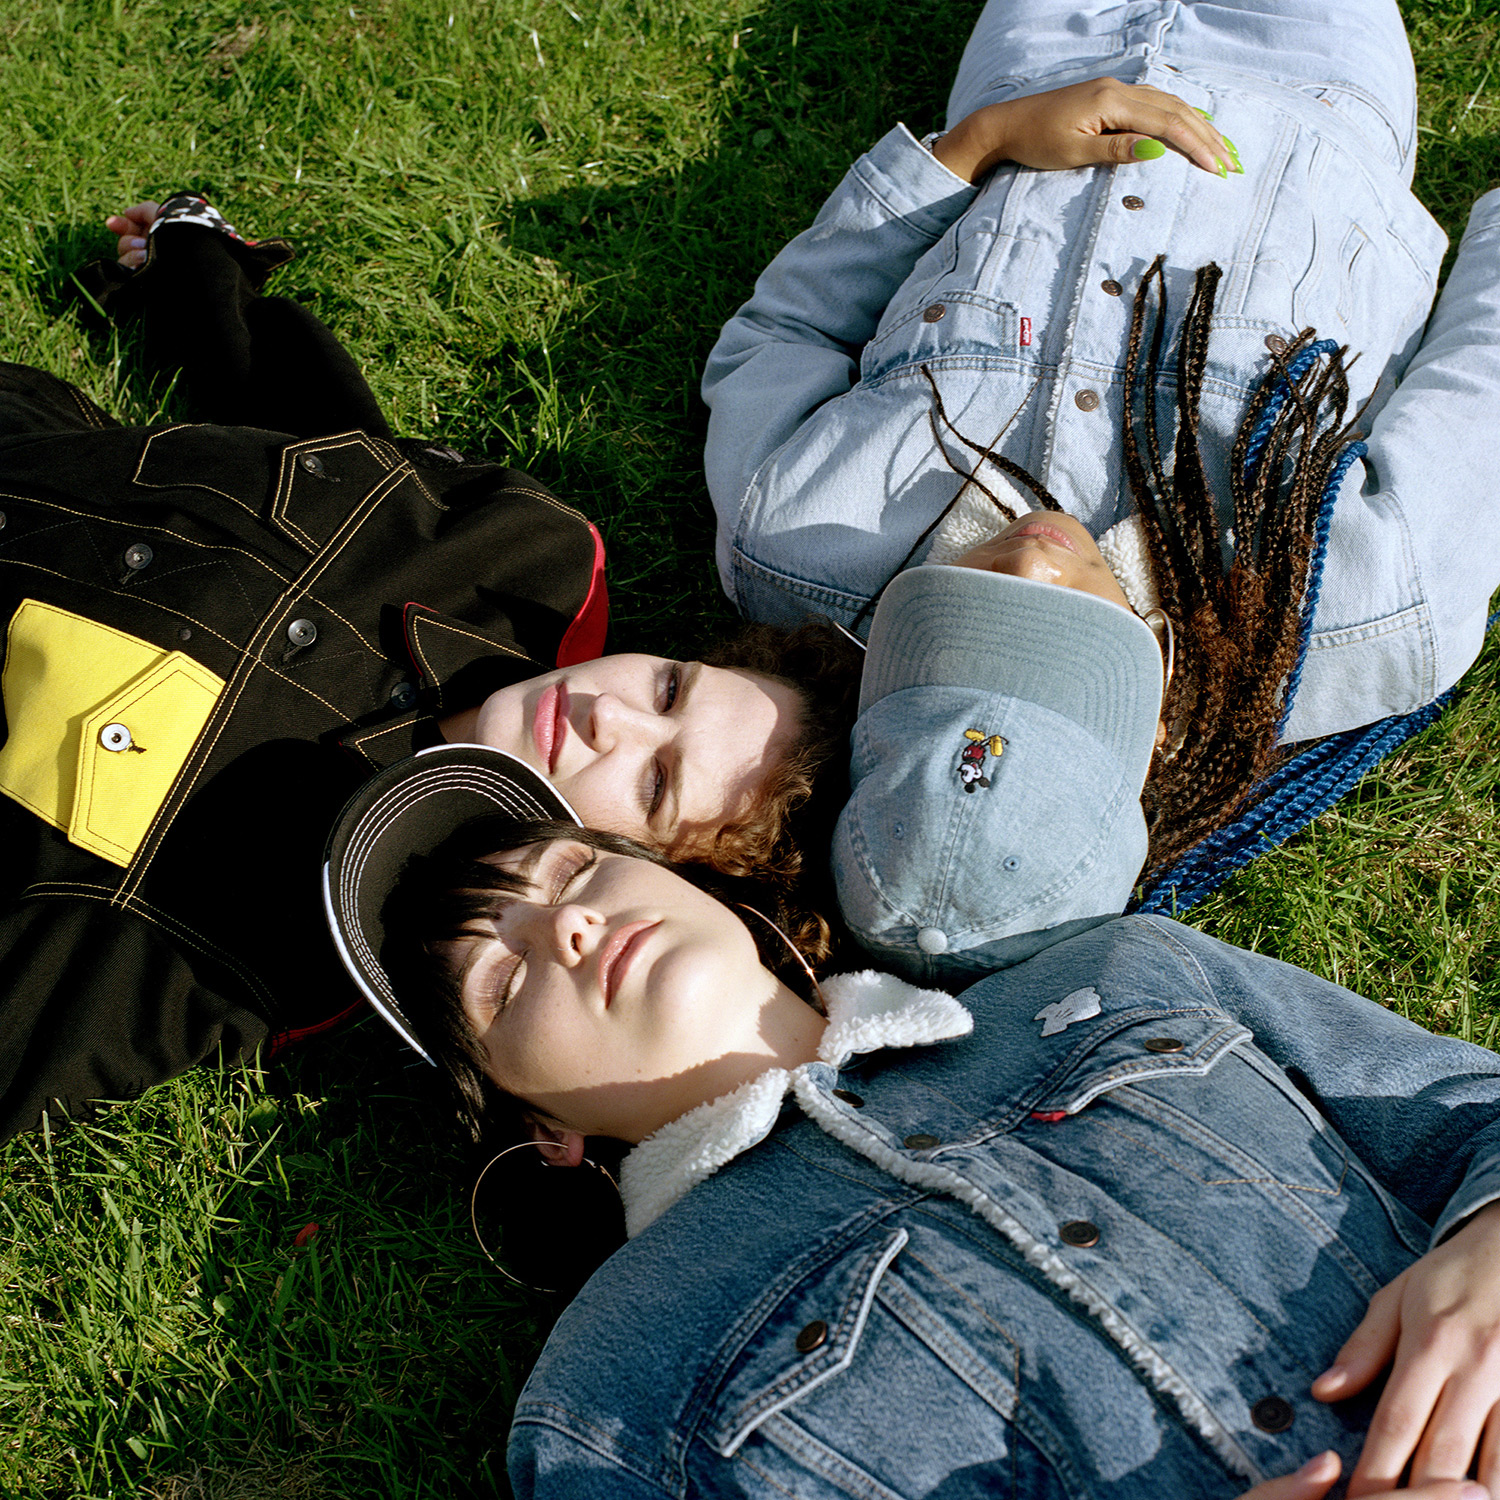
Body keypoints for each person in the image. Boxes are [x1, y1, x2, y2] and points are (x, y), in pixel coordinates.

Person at [327, 737, 1500, 1500]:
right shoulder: (608, 1397)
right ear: (542, 1131)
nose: (569, 929)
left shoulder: (1120, 967)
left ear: (697, 882)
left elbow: (1466, 1110)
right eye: (505, 976)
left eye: (575, 874)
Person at [0, 196, 859, 1144]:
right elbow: (313, 427)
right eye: (669, 689)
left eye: (655, 784)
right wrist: (199, 261)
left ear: (654, 870)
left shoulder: (289, 933)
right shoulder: (533, 557)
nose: (608, 718)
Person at [701, 0, 1500, 884]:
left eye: (964, 630)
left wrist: (978, 140)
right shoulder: (1362, 605)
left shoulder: (794, 539)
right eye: (1055, 640)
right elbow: (1485, 369)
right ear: (1152, 732)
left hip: (1039, 53)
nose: (1032, 569)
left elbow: (783, 333)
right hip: (1310, 79)